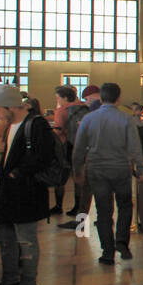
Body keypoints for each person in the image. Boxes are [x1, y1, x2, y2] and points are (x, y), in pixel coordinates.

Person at [0, 84, 54, 285]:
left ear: (11, 106)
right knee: (6, 239)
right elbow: (13, 154)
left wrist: (15, 173)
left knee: (26, 240)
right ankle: (8, 283)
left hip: (26, 192)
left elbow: (43, 157)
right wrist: (0, 161)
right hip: (10, 192)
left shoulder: (36, 124)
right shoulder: (12, 124)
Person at [71, 83, 143, 265]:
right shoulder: (126, 118)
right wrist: (140, 169)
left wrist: (77, 170)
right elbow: (135, 147)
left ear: (101, 98)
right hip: (121, 169)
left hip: (97, 169)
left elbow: (79, 148)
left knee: (103, 211)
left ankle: (107, 251)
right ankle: (122, 243)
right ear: (119, 99)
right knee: (125, 206)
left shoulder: (89, 119)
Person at [51, 85, 88, 216]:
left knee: (60, 176)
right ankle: (78, 207)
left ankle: (58, 205)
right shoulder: (84, 107)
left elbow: (58, 130)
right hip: (82, 146)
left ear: (65, 98)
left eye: (58, 98)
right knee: (78, 177)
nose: (57, 100)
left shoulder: (61, 111)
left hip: (66, 146)